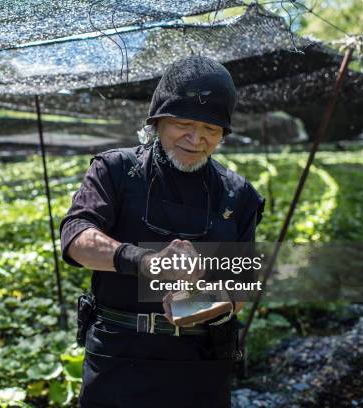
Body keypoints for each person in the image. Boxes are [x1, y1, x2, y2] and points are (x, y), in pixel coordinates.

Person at [59, 56, 265, 408]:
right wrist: (144, 262)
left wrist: (205, 303)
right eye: (183, 123)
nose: (196, 138)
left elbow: (244, 281)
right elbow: (76, 237)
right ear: (157, 121)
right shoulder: (117, 171)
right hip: (119, 357)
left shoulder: (237, 193)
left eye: (211, 130)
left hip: (201, 364)